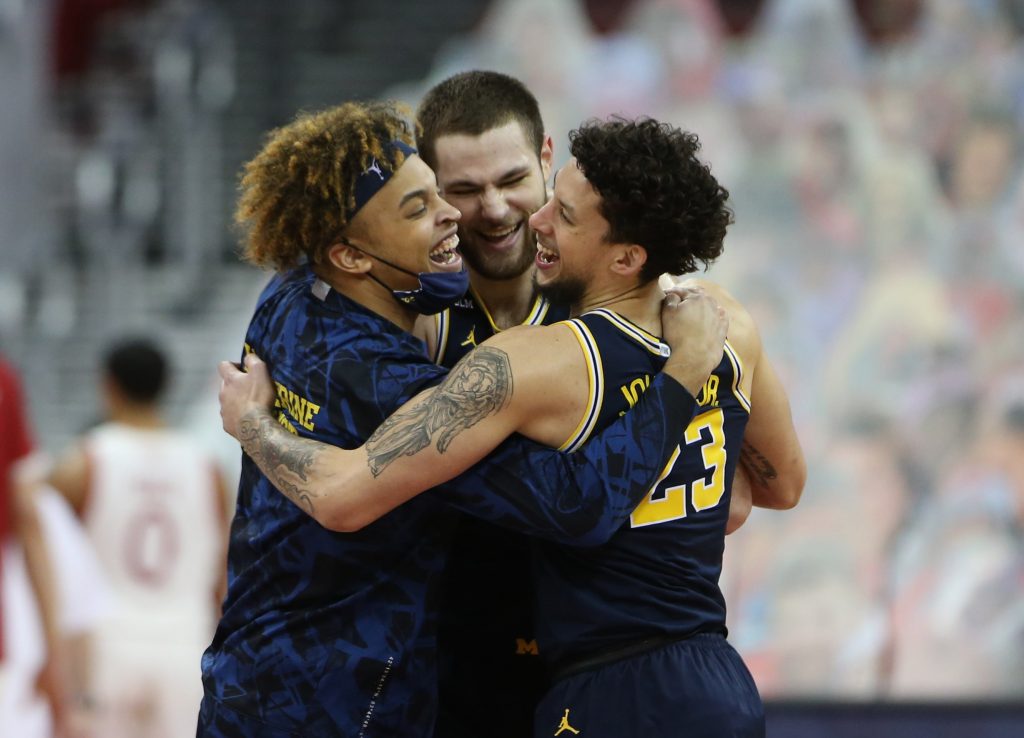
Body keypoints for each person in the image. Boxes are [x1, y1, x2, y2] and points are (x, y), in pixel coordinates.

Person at [218, 115, 806, 737]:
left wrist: (250, 423)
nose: (537, 218)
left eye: (565, 214)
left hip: (602, 691)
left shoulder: (528, 361)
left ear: (627, 255)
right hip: (715, 679)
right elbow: (773, 490)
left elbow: (346, 493)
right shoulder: (727, 322)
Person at [413, 70, 563, 737]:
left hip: (584, 662)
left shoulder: (612, 309)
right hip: (446, 670)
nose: (495, 210)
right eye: (465, 191)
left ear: (547, 159)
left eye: (511, 181)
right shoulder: (410, 322)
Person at [36, 338, 230, 738]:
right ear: (167, 385)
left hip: (107, 646)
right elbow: (224, 569)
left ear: (108, 385)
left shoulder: (83, 460)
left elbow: (42, 549)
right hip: (186, 643)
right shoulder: (207, 468)